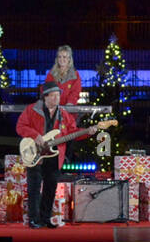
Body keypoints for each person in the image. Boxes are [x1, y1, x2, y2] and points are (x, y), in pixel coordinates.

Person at [16, 82, 105, 229]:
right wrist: (35, 135)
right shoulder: (31, 110)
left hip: (55, 156)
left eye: (58, 95)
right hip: (34, 154)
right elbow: (20, 127)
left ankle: (45, 218)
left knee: (50, 188)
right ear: (45, 97)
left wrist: (86, 133)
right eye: (54, 95)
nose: (57, 98)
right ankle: (33, 219)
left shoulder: (63, 114)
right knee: (34, 187)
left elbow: (72, 133)